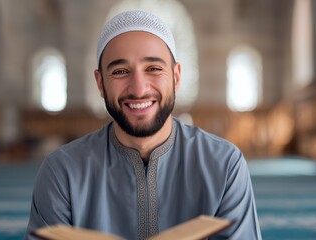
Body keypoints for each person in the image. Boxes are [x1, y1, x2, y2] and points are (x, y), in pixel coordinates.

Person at [25, 10, 261, 240]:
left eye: (154, 69)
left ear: (176, 77)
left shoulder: (224, 165)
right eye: (120, 71)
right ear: (100, 83)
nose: (138, 89)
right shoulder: (62, 173)